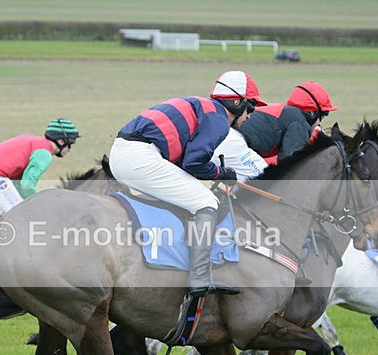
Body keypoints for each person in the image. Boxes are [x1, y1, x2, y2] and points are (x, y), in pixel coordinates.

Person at [109, 70, 266, 297]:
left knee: (188, 196)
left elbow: (188, 161)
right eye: (250, 107)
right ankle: (200, 276)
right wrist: (222, 173)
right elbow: (194, 163)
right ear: (236, 101)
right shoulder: (219, 119)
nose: (250, 115)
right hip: (139, 157)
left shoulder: (204, 107)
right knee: (206, 202)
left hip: (124, 154)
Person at [214, 80, 337, 180]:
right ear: (312, 112)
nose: (320, 122)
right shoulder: (300, 123)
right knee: (268, 185)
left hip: (223, 139)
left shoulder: (288, 114)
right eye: (323, 115)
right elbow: (288, 164)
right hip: (232, 143)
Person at [0, 118, 80, 215]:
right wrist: (40, 203)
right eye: (70, 143)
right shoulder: (44, 153)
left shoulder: (36, 142)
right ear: (60, 141)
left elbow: (19, 184)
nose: (69, 149)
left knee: (6, 213)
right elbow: (27, 186)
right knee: (19, 214)